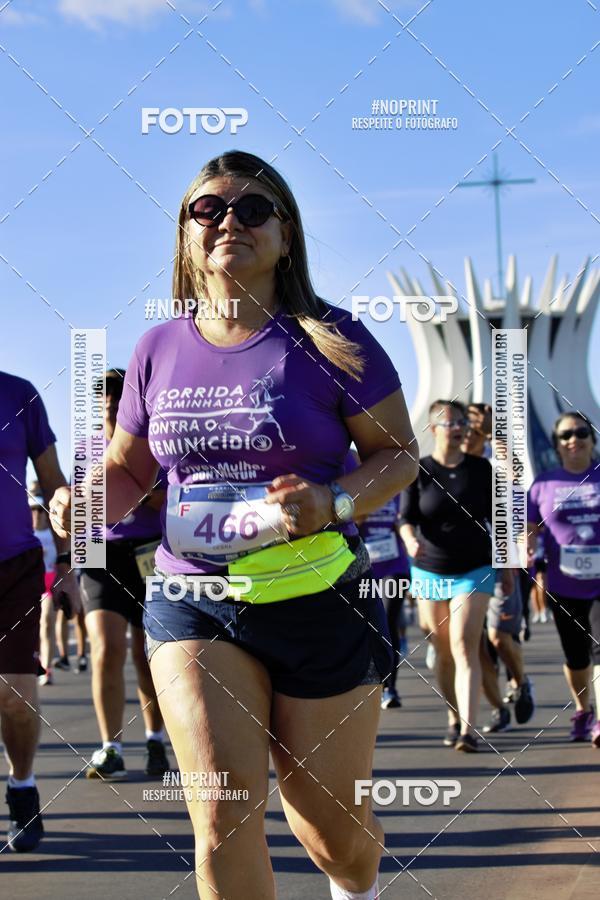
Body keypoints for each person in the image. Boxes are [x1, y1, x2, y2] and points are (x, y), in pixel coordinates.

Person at [50, 150, 418, 900]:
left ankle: (359, 881)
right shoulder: (158, 347)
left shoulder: (332, 339)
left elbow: (399, 456)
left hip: (318, 598)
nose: (229, 222)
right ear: (186, 237)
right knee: (220, 807)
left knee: (330, 830)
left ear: (287, 236)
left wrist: (333, 503)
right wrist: (84, 501)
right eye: (208, 210)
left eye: (254, 209)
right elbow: (130, 469)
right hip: (194, 601)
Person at [400, 399, 513, 752]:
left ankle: (467, 730)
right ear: (433, 429)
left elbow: (501, 521)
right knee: (443, 651)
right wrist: (408, 541)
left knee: (464, 644)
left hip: (474, 568)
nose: (459, 427)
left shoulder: (482, 469)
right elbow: (406, 518)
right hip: (430, 570)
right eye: (450, 422)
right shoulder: (419, 471)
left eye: (463, 421)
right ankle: (452, 716)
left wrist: (507, 569)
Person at [0, 371, 81, 851]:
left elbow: (56, 486)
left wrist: (72, 564)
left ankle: (23, 786)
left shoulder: (19, 395)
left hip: (15, 568)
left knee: (15, 694)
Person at [79, 369, 170, 780]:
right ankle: (110, 747)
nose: (111, 404)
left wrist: (131, 484)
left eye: (118, 397)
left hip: (148, 551)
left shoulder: (153, 445)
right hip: (100, 554)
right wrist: (67, 566)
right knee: (105, 647)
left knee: (145, 652)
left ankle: (155, 738)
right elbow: (78, 513)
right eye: (104, 398)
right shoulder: (85, 449)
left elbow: (162, 500)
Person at [527, 411, 600, 745]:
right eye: (566, 435)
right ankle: (583, 710)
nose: (574, 440)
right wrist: (527, 551)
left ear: (592, 439)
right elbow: (529, 529)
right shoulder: (543, 485)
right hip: (563, 584)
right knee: (576, 656)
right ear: (556, 444)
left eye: (581, 433)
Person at [461, 404, 535, 733]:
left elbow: (514, 470)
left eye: (475, 432)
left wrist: (494, 432)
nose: (466, 438)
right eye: (466, 430)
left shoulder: (493, 467)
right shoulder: (447, 465)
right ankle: (497, 708)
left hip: (500, 562)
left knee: (499, 637)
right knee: (474, 645)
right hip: (462, 568)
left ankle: (521, 681)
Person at [348, 451, 412, 709]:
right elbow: (350, 524)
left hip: (393, 567)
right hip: (362, 569)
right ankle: (367, 683)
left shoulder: (395, 487)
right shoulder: (352, 486)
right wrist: (366, 503)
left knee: (388, 622)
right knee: (365, 627)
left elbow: (403, 521)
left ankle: (390, 687)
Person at [29, 489, 58, 686]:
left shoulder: (54, 532)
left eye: (40, 510)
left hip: (50, 582)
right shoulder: (26, 533)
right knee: (33, 628)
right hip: (31, 584)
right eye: (33, 510)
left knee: (47, 623)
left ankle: (47, 669)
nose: (37, 514)